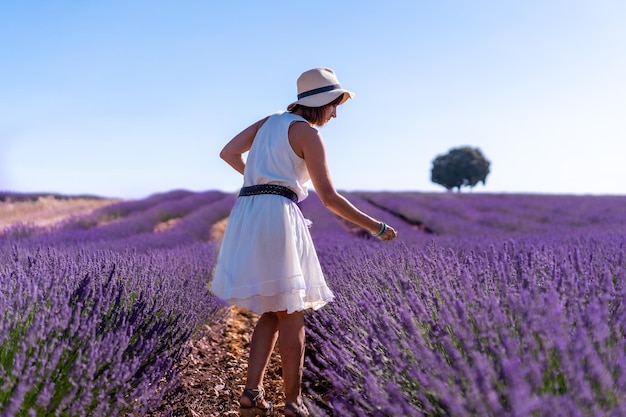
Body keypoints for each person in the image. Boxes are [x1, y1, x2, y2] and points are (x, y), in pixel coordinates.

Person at [210, 67, 397, 417]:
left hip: (248, 211)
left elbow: (228, 153)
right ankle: (293, 404)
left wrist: (260, 179)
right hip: (278, 213)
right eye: (335, 105)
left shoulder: (269, 122)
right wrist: (376, 226)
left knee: (273, 308)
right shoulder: (307, 135)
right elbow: (329, 197)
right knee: (293, 313)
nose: (336, 113)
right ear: (323, 103)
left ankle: (252, 395)